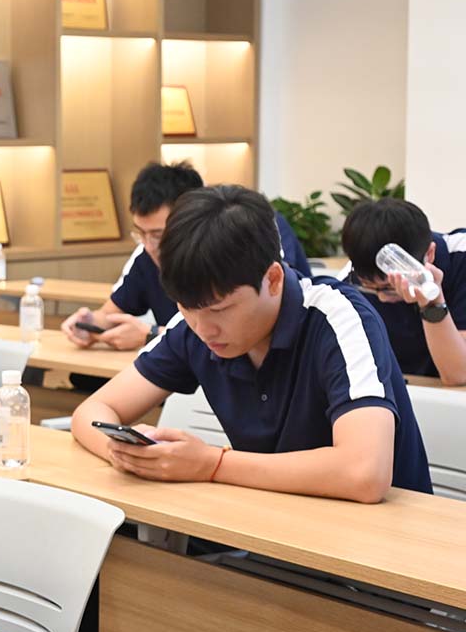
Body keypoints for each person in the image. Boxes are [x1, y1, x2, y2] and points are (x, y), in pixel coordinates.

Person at [71, 186, 431, 501]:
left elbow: (365, 472)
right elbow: (93, 411)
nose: (204, 329)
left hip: (382, 543)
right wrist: (128, 455)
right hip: (271, 527)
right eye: (186, 308)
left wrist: (213, 464)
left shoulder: (340, 318)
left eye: (220, 309)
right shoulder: (192, 326)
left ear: (272, 279)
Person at [63, 162, 312, 351]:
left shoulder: (248, 235)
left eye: (159, 234)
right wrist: (90, 322)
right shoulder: (146, 256)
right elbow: (111, 312)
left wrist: (152, 335)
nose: (150, 246)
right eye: (141, 233)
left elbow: (267, 320)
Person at [339, 198, 466, 385]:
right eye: (371, 287)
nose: (382, 298)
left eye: (389, 288)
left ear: (429, 254)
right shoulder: (349, 281)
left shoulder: (461, 257)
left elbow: (458, 374)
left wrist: (432, 303)